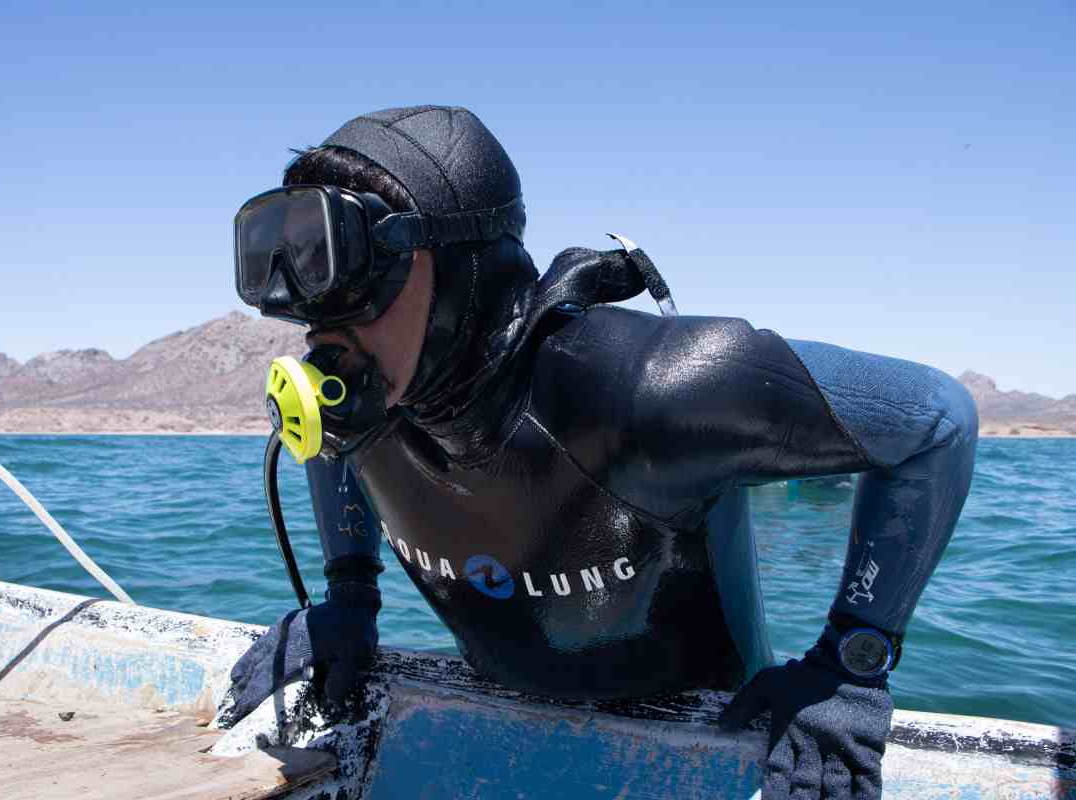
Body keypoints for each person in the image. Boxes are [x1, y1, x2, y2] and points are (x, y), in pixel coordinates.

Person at [220, 105, 978, 800]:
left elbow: (937, 421)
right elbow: (331, 444)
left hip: (710, 742)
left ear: (457, 262)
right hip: (505, 737)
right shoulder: (380, 389)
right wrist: (350, 600)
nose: (316, 317)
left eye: (345, 268)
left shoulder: (649, 389)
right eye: (294, 278)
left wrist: (851, 666)